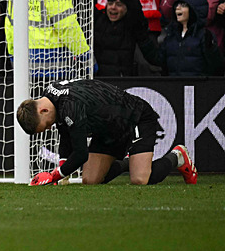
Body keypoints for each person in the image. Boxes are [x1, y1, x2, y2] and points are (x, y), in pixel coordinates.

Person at [19, 79, 198, 186]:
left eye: (46, 125)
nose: (49, 128)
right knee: (91, 180)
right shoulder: (50, 99)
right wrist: (62, 171)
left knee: (140, 179)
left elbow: (81, 154)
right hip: (107, 129)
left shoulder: (70, 105)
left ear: (42, 111)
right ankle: (129, 162)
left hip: (133, 118)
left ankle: (177, 156)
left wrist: (54, 176)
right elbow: (65, 134)